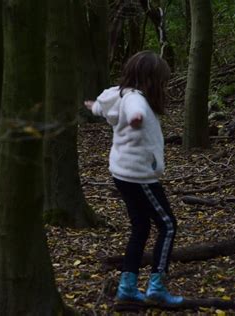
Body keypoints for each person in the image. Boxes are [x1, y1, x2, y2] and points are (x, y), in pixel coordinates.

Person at [84, 51, 183, 307]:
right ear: (149, 79)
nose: (162, 86)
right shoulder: (135, 99)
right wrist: (136, 119)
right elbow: (134, 111)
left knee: (141, 227)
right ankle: (157, 288)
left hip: (123, 173)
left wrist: (92, 106)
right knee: (168, 225)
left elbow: (99, 106)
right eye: (161, 81)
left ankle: (127, 288)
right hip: (139, 177)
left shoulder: (119, 94)